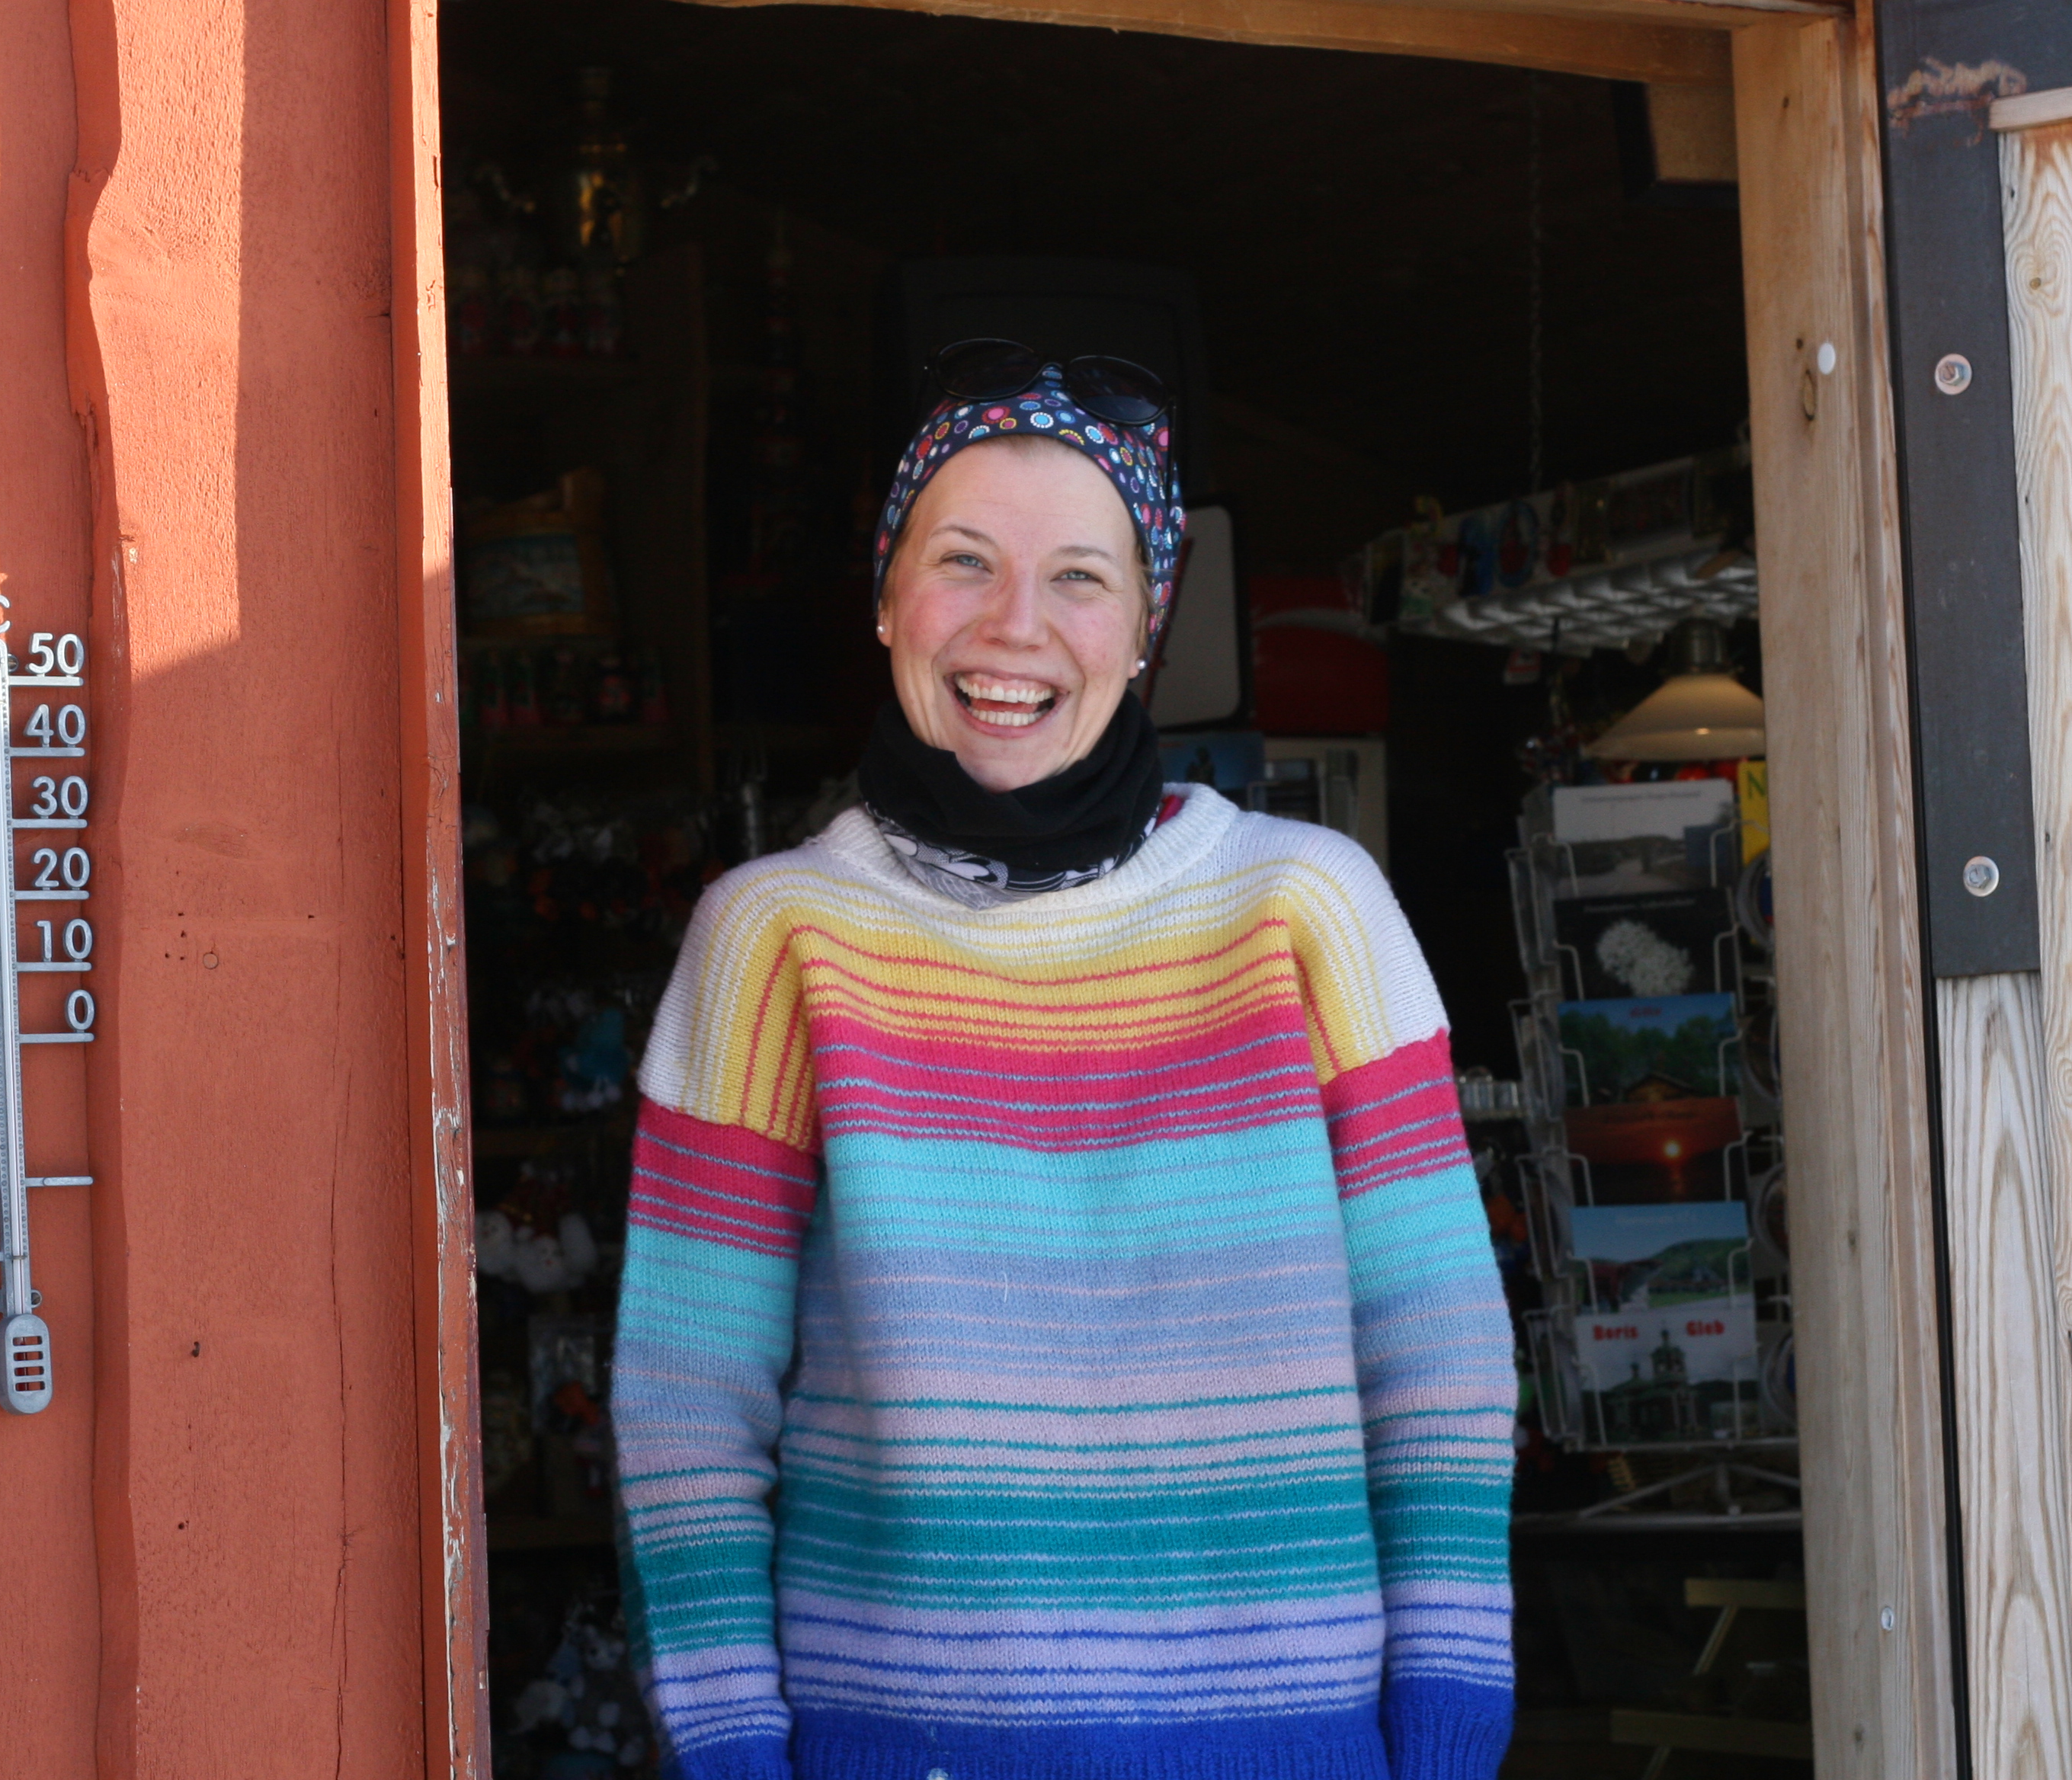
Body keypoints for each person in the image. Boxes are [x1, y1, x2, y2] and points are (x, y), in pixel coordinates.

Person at [610, 341, 1516, 1780]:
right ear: (886, 599)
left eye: (1080, 577)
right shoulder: (775, 936)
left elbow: (1440, 1351)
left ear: (1146, 626)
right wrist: (728, 1748)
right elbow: (686, 1408)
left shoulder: (1308, 907)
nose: (1015, 625)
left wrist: (1449, 1729)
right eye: (962, 562)